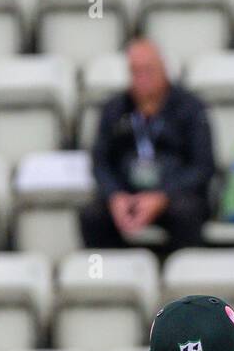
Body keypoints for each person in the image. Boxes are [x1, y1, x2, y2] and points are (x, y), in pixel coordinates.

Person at [81, 39, 214, 252]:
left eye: (148, 70)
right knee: (93, 215)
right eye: (136, 71)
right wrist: (115, 196)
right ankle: (113, 276)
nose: (142, 78)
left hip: (174, 195)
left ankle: (180, 275)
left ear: (163, 69)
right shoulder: (114, 109)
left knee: (186, 213)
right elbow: (100, 162)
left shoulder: (191, 109)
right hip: (128, 194)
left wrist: (162, 197)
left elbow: (202, 167)